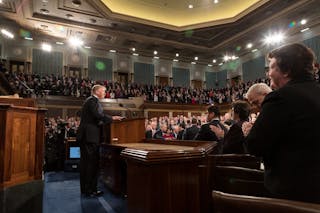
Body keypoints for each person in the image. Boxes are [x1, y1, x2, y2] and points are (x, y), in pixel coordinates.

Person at [246, 43, 320, 204]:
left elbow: (254, 145)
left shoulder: (280, 97)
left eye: (272, 67)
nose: (269, 73)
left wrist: (250, 134)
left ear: (286, 70)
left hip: (292, 196)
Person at [77, 85, 123, 197]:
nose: (105, 93)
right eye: (104, 91)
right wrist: (112, 118)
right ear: (97, 91)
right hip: (90, 137)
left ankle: (88, 189)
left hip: (89, 136)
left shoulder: (91, 101)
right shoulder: (92, 100)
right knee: (90, 164)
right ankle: (89, 190)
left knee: (88, 164)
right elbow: (98, 115)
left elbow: (96, 118)